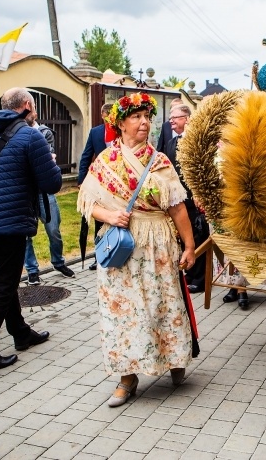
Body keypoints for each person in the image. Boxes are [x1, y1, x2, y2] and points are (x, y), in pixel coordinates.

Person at [77, 92, 197, 408]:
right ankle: (126, 378)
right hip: (119, 246)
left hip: (157, 243)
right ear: (121, 123)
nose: (144, 122)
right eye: (136, 117)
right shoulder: (105, 161)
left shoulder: (160, 162)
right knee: (122, 311)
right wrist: (109, 215)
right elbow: (88, 203)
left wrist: (189, 245)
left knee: (162, 302)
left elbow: (178, 208)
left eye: (147, 117)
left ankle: (174, 360)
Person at [0, 88, 62, 375]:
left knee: (1, 280)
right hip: (9, 222)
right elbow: (52, 184)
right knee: (3, 286)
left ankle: (20, 332)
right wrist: (51, 164)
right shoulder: (30, 136)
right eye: (33, 107)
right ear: (27, 106)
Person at [23, 113, 75, 284]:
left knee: (53, 230)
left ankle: (58, 262)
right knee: (25, 235)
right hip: (24, 193)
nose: (32, 113)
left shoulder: (45, 133)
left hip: (44, 191)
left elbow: (47, 162)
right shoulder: (16, 133)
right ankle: (32, 270)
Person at [163, 102, 210, 294]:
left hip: (193, 198)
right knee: (183, 237)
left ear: (187, 119)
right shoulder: (171, 143)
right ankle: (188, 274)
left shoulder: (197, 141)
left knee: (197, 236)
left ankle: (199, 278)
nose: (171, 121)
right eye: (171, 118)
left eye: (175, 117)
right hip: (176, 199)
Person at [78, 103, 115, 271]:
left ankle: (116, 251)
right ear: (102, 115)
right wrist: (81, 180)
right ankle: (99, 256)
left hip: (120, 183)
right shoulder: (95, 132)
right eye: (107, 115)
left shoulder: (122, 130)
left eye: (112, 115)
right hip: (101, 183)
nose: (109, 118)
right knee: (100, 221)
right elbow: (86, 155)